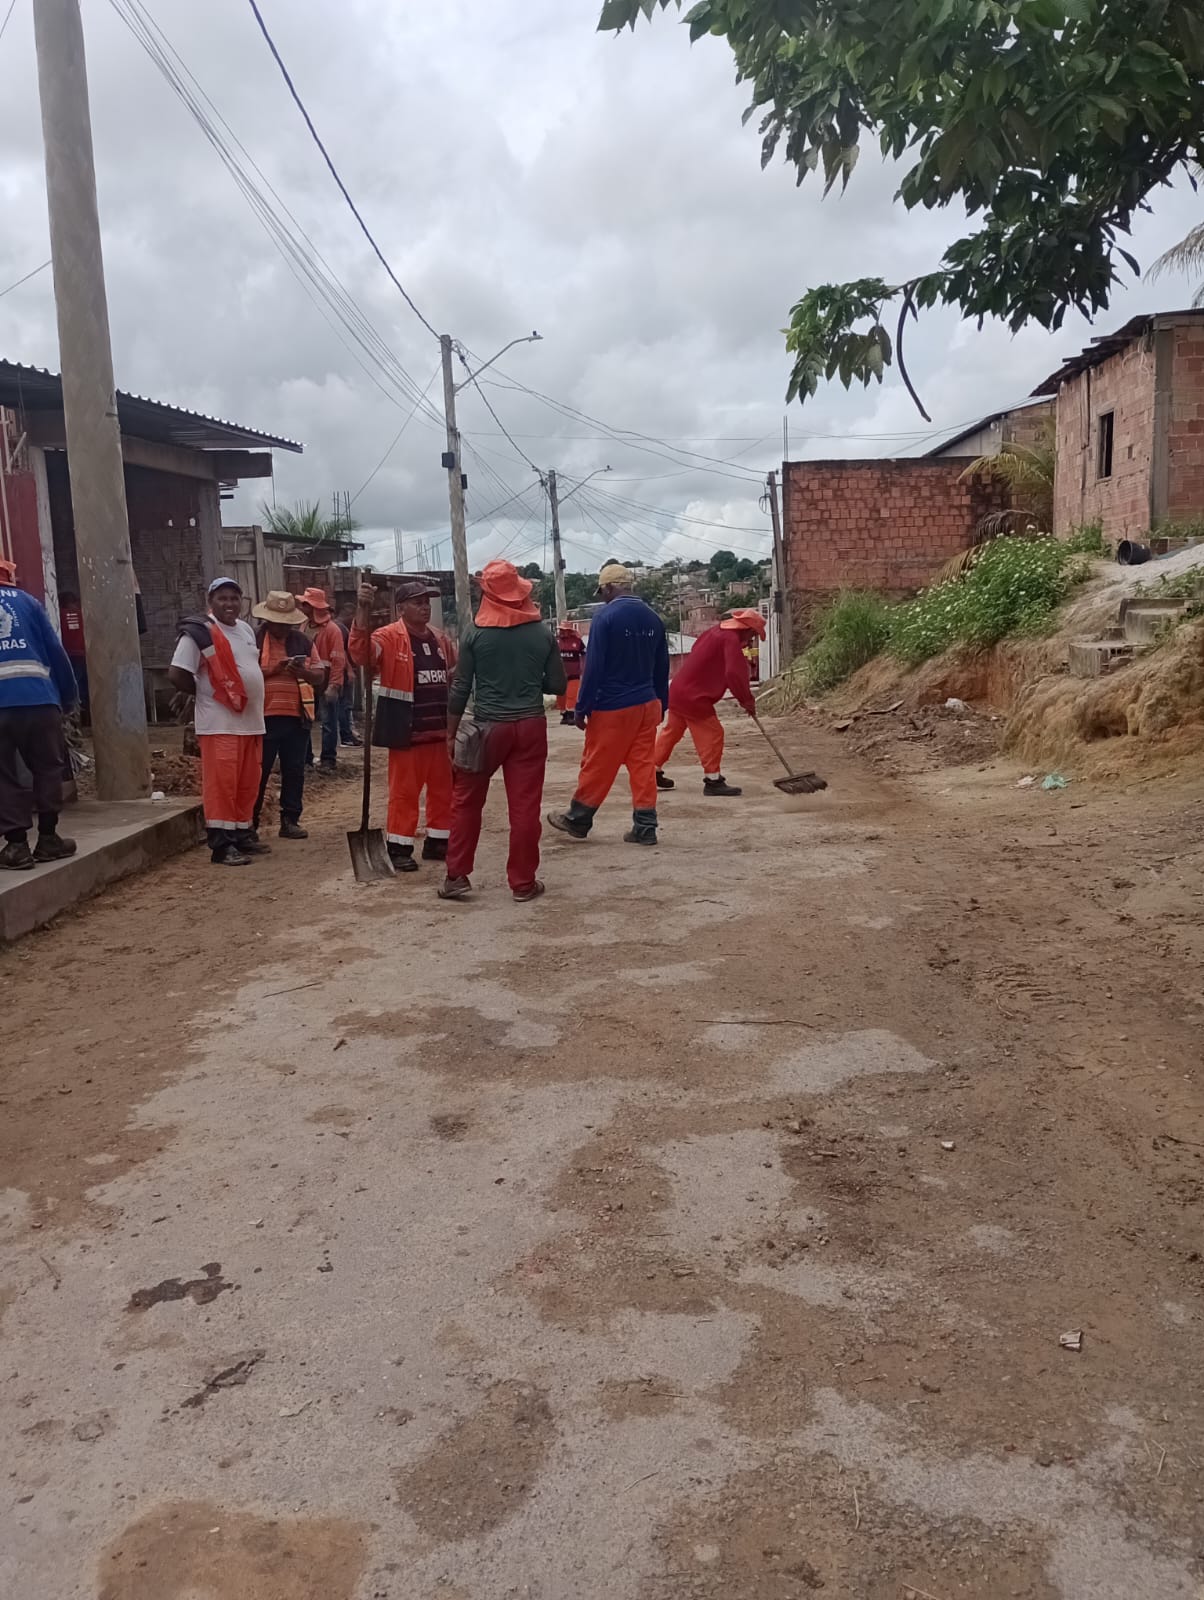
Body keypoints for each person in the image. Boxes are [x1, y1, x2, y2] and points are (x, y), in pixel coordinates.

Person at [439, 559, 566, 903]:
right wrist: (529, 681)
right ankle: (523, 883)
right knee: (525, 808)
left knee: (466, 801)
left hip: (486, 728)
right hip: (530, 726)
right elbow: (557, 684)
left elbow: (460, 687)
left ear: (488, 594)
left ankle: (456, 876)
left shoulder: (475, 633)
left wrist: (450, 734)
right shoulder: (542, 633)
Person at [547, 563, 669, 848]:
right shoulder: (653, 618)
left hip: (613, 706)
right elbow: (662, 666)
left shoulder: (605, 617)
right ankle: (646, 826)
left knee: (598, 762)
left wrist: (582, 707)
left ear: (610, 587)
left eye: (602, 591)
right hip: (647, 703)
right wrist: (662, 703)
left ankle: (578, 819)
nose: (602, 596)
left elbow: (593, 668)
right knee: (642, 765)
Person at [349, 576, 457, 873]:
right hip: (406, 731)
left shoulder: (440, 639)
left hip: (439, 732)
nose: (425, 607)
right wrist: (362, 610)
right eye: (417, 602)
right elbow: (360, 654)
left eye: (427, 602)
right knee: (404, 793)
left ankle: (439, 841)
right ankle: (399, 847)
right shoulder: (387, 637)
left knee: (444, 791)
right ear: (401, 608)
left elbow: (453, 671)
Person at [168, 577, 266, 867]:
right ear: (210, 601)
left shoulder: (245, 630)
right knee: (222, 785)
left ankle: (242, 834)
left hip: (250, 722)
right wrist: (207, 693)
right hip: (219, 723)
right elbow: (177, 674)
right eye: (222, 598)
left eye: (234, 598)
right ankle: (222, 845)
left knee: (247, 783)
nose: (229, 604)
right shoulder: (198, 634)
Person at [0, 557, 78, 871]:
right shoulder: (29, 602)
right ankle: (48, 839)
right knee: (47, 768)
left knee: (2, 774)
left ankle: (16, 846)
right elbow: (56, 652)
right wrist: (68, 697)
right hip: (39, 700)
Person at [654, 607, 766, 796]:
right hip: (695, 698)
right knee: (713, 733)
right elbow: (734, 674)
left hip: (679, 690)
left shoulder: (713, 632)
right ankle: (713, 781)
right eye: (753, 635)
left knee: (671, 732)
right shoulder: (730, 640)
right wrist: (746, 700)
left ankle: (651, 770)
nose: (751, 640)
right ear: (746, 630)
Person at [250, 590, 326, 843]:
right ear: (267, 620)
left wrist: (302, 672)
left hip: (296, 717)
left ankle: (290, 820)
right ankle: (250, 822)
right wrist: (273, 670)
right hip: (262, 718)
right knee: (258, 773)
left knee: (294, 771)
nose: (282, 627)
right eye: (277, 622)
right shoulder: (253, 640)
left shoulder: (303, 642)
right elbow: (244, 676)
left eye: (286, 623)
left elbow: (319, 676)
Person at [297, 586, 346, 773]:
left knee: (328, 723)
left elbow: (338, 660)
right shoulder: (304, 626)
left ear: (313, 607)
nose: (302, 607)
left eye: (305, 604)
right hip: (308, 680)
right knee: (305, 721)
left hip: (325, 681)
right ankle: (306, 759)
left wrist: (334, 685)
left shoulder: (332, 630)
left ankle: (328, 760)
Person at [334, 599, 362, 748]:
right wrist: (349, 670)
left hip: (340, 670)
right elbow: (341, 651)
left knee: (342, 705)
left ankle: (347, 734)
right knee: (345, 705)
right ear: (349, 614)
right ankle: (346, 737)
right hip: (344, 671)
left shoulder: (335, 626)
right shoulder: (340, 628)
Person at [58, 590, 88, 718]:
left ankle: (74, 714)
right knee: (82, 683)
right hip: (81, 654)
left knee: (72, 682)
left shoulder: (59, 615)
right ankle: (84, 715)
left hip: (66, 654)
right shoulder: (82, 614)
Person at [554, 621, 586, 725]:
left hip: (574, 674)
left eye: (564, 630)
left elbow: (584, 654)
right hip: (559, 674)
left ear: (569, 631)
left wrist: (584, 669)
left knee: (572, 694)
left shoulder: (577, 641)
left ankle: (571, 715)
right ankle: (564, 715)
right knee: (561, 696)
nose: (562, 632)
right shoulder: (555, 641)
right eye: (561, 630)